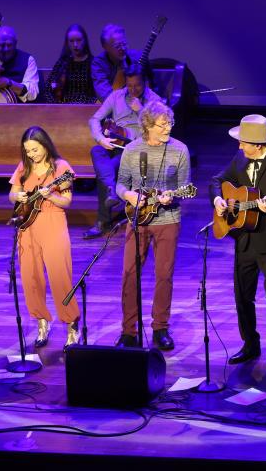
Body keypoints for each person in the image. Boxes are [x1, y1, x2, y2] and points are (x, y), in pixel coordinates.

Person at [211, 114, 266, 364]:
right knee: (242, 295)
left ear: (258, 145)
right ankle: (250, 343)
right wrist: (218, 200)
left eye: (243, 142)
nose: (239, 146)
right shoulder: (240, 158)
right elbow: (217, 180)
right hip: (245, 239)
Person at [115, 101, 190, 350]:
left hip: (167, 220)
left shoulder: (180, 150)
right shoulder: (132, 150)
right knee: (130, 275)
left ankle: (160, 328)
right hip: (137, 219)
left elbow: (185, 188)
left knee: (164, 276)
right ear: (147, 126)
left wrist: (173, 196)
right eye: (162, 124)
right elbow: (120, 185)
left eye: (170, 123)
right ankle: (128, 331)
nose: (168, 128)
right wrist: (129, 196)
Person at [9, 127, 81, 349]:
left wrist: (52, 194)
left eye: (35, 149)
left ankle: (71, 325)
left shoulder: (61, 167)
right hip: (26, 227)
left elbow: (67, 201)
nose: (31, 154)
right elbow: (12, 194)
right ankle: (42, 321)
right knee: (31, 278)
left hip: (53, 222)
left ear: (45, 144)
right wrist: (17, 196)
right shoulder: (24, 166)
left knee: (60, 276)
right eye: (28, 150)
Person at [84, 64, 163, 239]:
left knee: (107, 169)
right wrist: (101, 139)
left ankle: (102, 221)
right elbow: (94, 119)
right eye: (130, 86)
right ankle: (113, 189)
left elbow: (160, 129)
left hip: (139, 149)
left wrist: (141, 111)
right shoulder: (116, 96)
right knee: (97, 151)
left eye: (138, 85)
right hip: (116, 142)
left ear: (145, 83)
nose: (133, 90)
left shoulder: (154, 100)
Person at [90, 23, 150, 101]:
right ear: (105, 47)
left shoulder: (135, 58)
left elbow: (147, 86)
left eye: (124, 44)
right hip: (110, 107)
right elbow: (105, 94)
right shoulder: (98, 64)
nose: (122, 48)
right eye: (117, 46)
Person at [43, 24, 98, 104]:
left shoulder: (94, 63)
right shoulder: (62, 63)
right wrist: (54, 106)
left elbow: (100, 91)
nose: (75, 45)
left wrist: (90, 105)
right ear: (67, 43)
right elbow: (48, 88)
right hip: (64, 109)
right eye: (71, 41)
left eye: (79, 40)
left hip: (88, 108)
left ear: (85, 41)